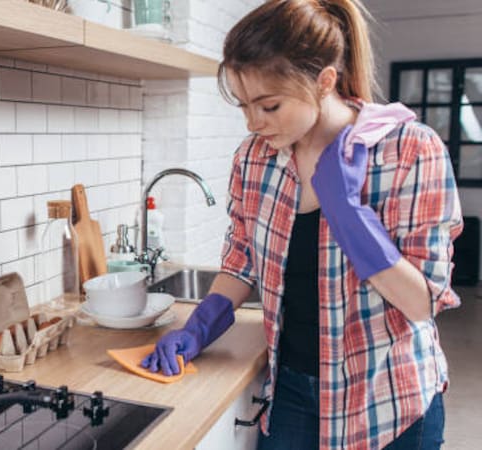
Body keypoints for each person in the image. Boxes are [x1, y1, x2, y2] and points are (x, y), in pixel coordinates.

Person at [140, 1, 463, 449]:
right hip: (291, 395)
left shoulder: (410, 151)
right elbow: (240, 262)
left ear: (324, 81)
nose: (254, 123)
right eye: (245, 106)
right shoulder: (255, 158)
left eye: (269, 105)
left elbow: (422, 302)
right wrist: (197, 328)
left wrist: (348, 213)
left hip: (389, 402)